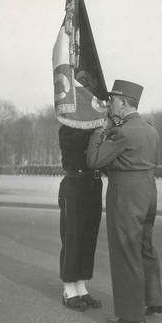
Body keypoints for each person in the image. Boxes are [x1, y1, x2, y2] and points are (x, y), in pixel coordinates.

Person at [87, 80, 162, 323]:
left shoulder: (122, 131)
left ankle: (132, 316)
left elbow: (94, 160)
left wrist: (100, 131)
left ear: (122, 103)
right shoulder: (150, 129)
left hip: (126, 194)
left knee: (125, 251)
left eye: (112, 101)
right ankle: (153, 301)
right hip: (148, 191)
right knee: (145, 246)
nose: (110, 105)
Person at [58, 125, 103, 311]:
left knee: (88, 237)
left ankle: (81, 285)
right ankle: (69, 288)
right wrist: (96, 132)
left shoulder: (96, 127)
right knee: (73, 237)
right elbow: (75, 148)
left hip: (93, 183)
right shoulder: (68, 128)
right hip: (75, 183)